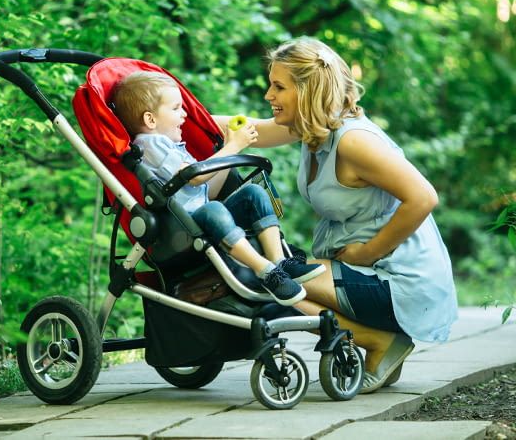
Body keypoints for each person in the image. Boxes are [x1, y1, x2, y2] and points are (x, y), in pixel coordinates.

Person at [214, 37, 458, 393]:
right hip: (371, 274)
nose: (268, 95)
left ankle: (379, 343)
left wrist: (368, 252)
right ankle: (379, 343)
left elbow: (423, 197)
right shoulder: (311, 129)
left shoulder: (352, 141)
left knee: (272, 279)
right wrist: (172, 112)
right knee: (275, 276)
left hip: (401, 281)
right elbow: (244, 128)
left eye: (278, 87)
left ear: (309, 91)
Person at [110, 71, 325, 306]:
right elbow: (194, 177)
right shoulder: (149, 144)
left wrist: (225, 149)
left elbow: (206, 189)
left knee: (253, 193)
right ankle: (265, 271)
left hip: (202, 215)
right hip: (181, 228)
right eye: (175, 109)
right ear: (150, 120)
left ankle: (279, 261)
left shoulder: (170, 146)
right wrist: (232, 148)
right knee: (214, 209)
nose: (184, 115)